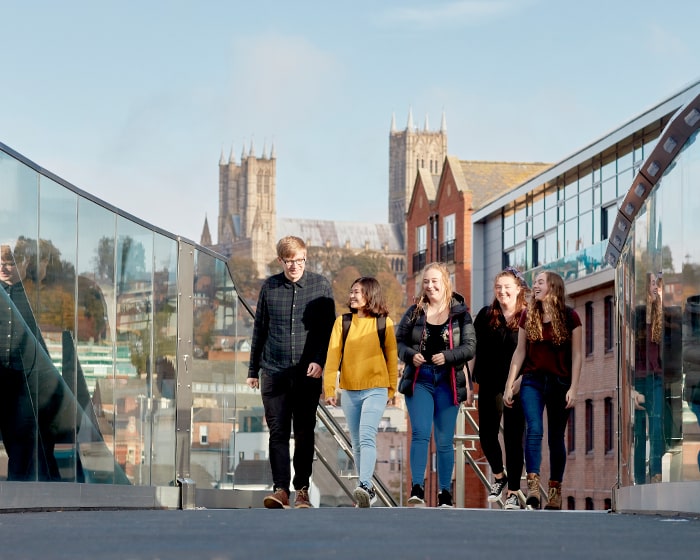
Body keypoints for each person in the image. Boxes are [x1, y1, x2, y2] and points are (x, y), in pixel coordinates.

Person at [246, 236, 335, 508]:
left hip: (307, 372)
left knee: (305, 431)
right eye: (289, 261)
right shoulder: (269, 287)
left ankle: (303, 490)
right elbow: (260, 328)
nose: (295, 266)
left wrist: (320, 361)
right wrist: (253, 369)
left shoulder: (321, 286)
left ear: (305, 258)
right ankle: (281, 490)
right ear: (280, 260)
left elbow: (328, 331)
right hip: (273, 370)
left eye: (300, 260)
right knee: (278, 431)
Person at [396, 262, 476, 508]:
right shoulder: (414, 311)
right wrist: (411, 355)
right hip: (420, 379)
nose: (430, 286)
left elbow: (470, 347)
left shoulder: (461, 313)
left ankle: (444, 493)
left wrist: (448, 356)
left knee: (443, 439)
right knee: (420, 432)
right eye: (426, 282)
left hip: (448, 381)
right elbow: (398, 342)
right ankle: (417, 488)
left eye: (434, 281)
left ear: (445, 282)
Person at [504, 271, 582, 510]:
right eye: (535, 282)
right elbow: (520, 352)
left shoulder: (571, 317)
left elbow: (578, 356)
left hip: (560, 383)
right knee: (534, 429)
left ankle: (555, 489)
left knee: (556, 437)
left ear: (553, 287)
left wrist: (575, 388)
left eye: (540, 282)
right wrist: (510, 383)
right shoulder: (528, 315)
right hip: (532, 381)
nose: (535, 286)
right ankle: (534, 487)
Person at [323, 277, 398, 508]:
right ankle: (369, 489)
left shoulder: (385, 323)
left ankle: (364, 484)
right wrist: (329, 388)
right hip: (350, 391)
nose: (353, 296)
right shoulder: (342, 323)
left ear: (370, 295)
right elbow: (333, 357)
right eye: (352, 291)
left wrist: (391, 388)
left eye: (358, 292)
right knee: (356, 442)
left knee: (366, 436)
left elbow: (392, 358)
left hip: (376, 388)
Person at [471, 266, 528, 510]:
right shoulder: (486, 315)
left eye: (507, 287)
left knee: (514, 439)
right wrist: (468, 379)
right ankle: (498, 476)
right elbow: (473, 348)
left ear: (518, 289)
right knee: (486, 434)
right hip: (489, 381)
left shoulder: (527, 316)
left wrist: (520, 381)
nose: (502, 291)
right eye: (498, 287)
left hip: (515, 385)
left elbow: (531, 353)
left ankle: (514, 492)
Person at [632, 272, 665, 484]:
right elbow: (628, 353)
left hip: (659, 378)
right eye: (653, 283)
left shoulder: (669, 316)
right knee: (638, 432)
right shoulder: (638, 315)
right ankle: (639, 479)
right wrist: (630, 388)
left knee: (656, 426)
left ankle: (656, 474)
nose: (656, 288)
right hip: (640, 378)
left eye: (659, 284)